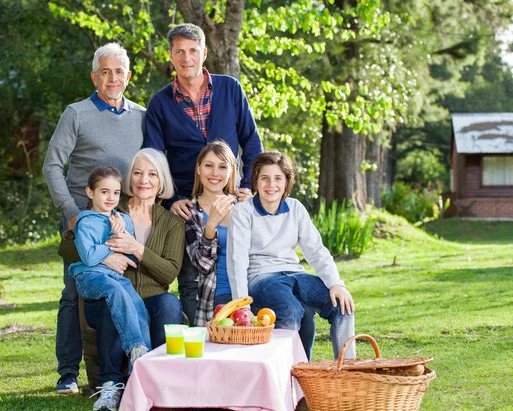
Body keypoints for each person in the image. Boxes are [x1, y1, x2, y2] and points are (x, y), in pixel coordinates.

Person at [43, 42, 145, 394]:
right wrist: (71, 214)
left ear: (128, 76)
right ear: (94, 76)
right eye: (105, 71)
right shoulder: (77, 113)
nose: (112, 78)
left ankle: (125, 367)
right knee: (74, 294)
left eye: (119, 72)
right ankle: (68, 373)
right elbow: (52, 165)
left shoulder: (142, 116)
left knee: (124, 288)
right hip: (81, 221)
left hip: (120, 221)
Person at [144, 23, 263, 325]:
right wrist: (170, 200)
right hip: (186, 206)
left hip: (231, 198)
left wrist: (248, 185)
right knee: (191, 280)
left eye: (193, 51)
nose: (187, 58)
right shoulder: (160, 103)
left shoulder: (230, 89)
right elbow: (154, 159)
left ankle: (245, 330)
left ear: (204, 53)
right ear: (170, 56)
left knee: (243, 269)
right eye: (179, 51)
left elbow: (251, 141)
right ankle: (197, 339)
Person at [227, 151, 356, 361]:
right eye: (264, 178)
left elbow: (316, 250)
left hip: (295, 273)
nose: (271, 185)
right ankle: (291, 376)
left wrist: (336, 284)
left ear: (287, 182)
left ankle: (347, 372)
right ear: (256, 181)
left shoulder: (295, 208)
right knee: (292, 312)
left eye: (278, 178)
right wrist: (243, 305)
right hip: (262, 278)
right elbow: (237, 261)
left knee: (343, 306)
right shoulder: (243, 212)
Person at [83, 149, 185, 411]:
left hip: (152, 300)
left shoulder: (172, 222)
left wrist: (136, 248)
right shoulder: (111, 206)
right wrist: (106, 258)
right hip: (112, 295)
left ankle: (159, 382)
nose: (144, 180)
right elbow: (72, 246)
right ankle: (112, 385)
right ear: (129, 178)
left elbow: (169, 272)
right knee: (113, 300)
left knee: (170, 304)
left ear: (161, 181)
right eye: (138, 172)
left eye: (152, 174)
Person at [69, 166, 151, 373]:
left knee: (138, 305)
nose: (110, 198)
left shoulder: (123, 221)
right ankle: (135, 347)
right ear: (90, 193)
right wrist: (111, 244)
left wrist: (120, 234)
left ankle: (140, 369)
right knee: (115, 292)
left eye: (115, 193)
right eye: (104, 192)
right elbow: (88, 257)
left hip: (115, 277)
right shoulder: (85, 221)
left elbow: (129, 258)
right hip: (90, 277)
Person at [185, 141, 238, 326]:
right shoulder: (190, 212)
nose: (215, 173)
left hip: (250, 289)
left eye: (222, 167)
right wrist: (210, 228)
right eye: (209, 165)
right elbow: (202, 265)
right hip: (216, 295)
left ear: (231, 171)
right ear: (198, 169)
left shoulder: (244, 208)